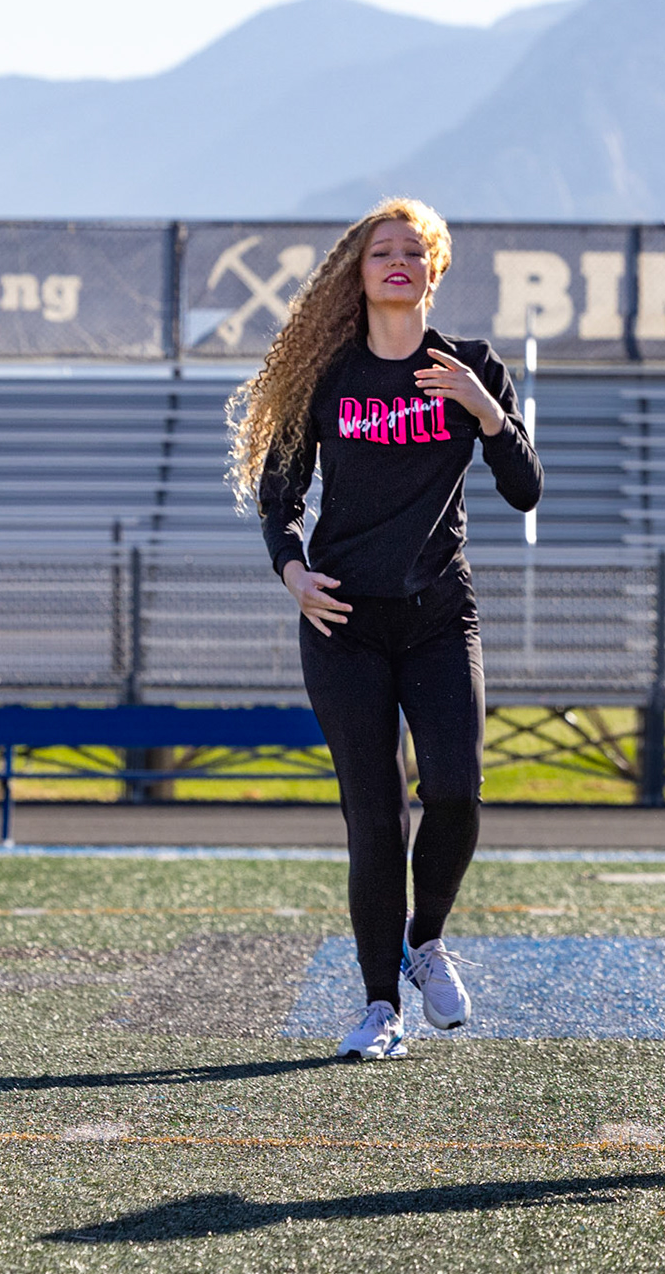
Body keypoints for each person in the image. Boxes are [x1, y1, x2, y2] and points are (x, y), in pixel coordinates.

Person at [227, 199, 542, 1060]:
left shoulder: (471, 367)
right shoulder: (329, 374)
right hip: (344, 623)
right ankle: (379, 1008)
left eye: (413, 251)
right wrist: (292, 572)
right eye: (381, 252)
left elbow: (525, 490)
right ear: (358, 274)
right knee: (375, 818)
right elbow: (281, 494)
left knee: (456, 793)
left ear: (434, 269)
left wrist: (486, 409)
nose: (397, 262)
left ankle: (424, 939)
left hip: (440, 615)